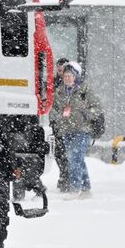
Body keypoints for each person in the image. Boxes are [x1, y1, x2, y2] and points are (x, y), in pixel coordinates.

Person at [50, 61, 101, 198]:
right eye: (65, 75)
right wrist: (58, 120)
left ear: (76, 76)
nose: (67, 78)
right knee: (78, 160)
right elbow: (54, 110)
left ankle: (74, 189)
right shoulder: (60, 92)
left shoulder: (84, 90)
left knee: (74, 159)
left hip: (82, 130)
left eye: (70, 75)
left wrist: (86, 114)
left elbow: (97, 108)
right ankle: (86, 189)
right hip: (66, 130)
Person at [51, 57, 72, 191]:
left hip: (67, 122)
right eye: (58, 66)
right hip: (55, 122)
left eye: (63, 66)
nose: (60, 69)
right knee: (59, 153)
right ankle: (64, 177)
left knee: (67, 152)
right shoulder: (52, 82)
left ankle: (66, 178)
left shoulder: (70, 82)